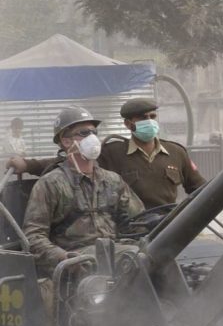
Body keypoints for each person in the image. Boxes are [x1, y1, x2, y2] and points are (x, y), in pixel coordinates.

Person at [6, 98, 206, 208]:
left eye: (152, 116)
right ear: (128, 124)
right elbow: (71, 161)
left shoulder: (176, 152)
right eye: (142, 118)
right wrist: (28, 165)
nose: (149, 121)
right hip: (134, 230)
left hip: (171, 227)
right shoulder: (112, 153)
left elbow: (200, 190)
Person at [23, 106, 144, 278]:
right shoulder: (50, 184)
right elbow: (34, 236)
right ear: (66, 141)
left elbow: (137, 222)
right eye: (84, 133)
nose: (93, 138)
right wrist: (63, 257)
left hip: (116, 252)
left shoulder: (112, 181)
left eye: (94, 132)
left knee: (153, 257)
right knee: (134, 259)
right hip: (77, 260)